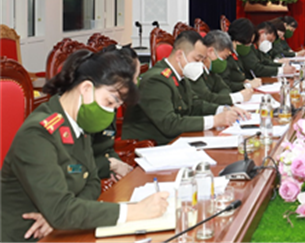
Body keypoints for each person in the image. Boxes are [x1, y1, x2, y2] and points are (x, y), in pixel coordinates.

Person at [1, 50, 169, 242]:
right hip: (29, 237)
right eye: (109, 102)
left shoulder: (78, 125)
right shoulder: (38, 134)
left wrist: (59, 214)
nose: (110, 114)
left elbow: (93, 182)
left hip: (63, 230)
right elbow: (61, 211)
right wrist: (135, 211)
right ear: (86, 88)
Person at [122, 30, 247, 145]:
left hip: (176, 140)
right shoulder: (156, 80)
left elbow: (194, 104)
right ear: (179, 55)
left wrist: (222, 110)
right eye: (197, 59)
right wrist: (214, 120)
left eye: (203, 60)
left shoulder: (180, 75)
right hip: (149, 145)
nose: (200, 65)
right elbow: (170, 124)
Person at [90, 44, 139, 181]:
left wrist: (120, 168)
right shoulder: (87, 111)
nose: (136, 83)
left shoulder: (110, 103)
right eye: (135, 78)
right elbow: (75, 167)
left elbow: (107, 147)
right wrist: (111, 166)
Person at [191, 30, 255, 106]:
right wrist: (236, 97)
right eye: (224, 57)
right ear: (210, 51)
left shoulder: (211, 71)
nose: (224, 61)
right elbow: (207, 98)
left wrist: (221, 98)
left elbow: (225, 88)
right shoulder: (195, 71)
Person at [222, 18, 262, 92]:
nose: (249, 46)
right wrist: (247, 85)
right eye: (248, 42)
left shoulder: (236, 53)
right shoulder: (224, 55)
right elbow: (224, 84)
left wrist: (245, 81)